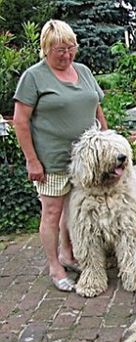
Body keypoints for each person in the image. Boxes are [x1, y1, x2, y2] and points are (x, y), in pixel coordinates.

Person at [13, 19, 108, 292]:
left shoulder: (84, 71)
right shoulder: (33, 77)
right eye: (59, 50)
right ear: (45, 49)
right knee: (52, 211)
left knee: (74, 209)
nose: (66, 55)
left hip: (87, 161)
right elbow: (21, 121)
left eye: (70, 48)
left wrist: (107, 137)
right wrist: (32, 160)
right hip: (52, 160)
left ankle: (69, 254)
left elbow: (96, 107)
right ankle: (55, 266)